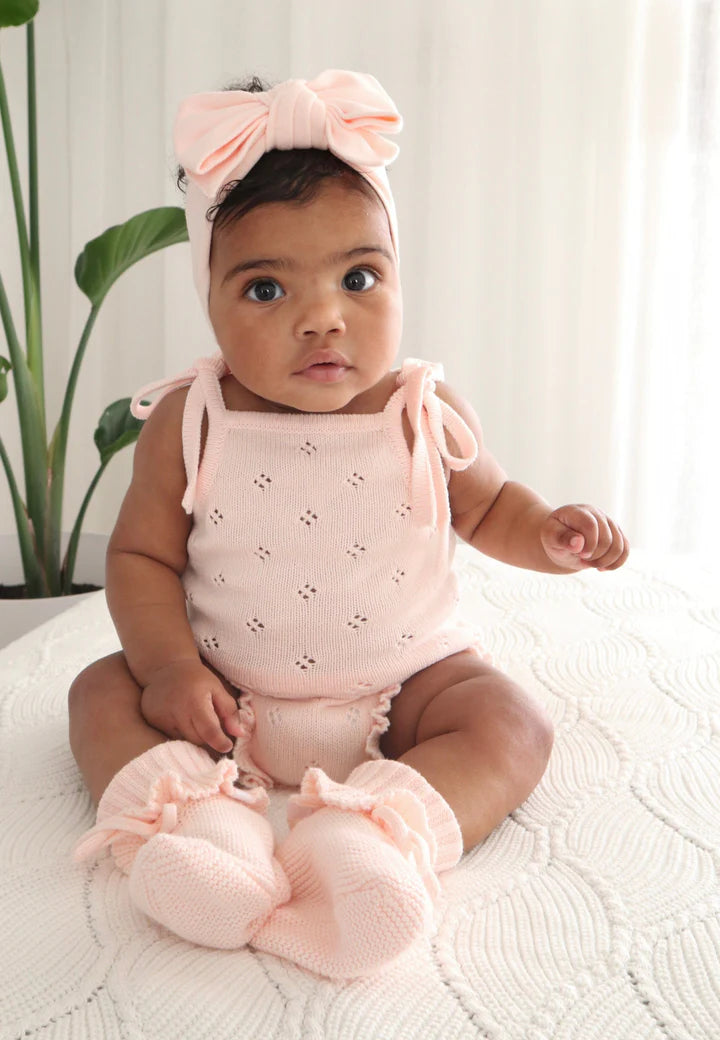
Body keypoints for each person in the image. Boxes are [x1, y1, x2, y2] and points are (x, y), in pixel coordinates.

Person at [69, 69, 628, 979]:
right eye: (264, 291)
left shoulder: (420, 407)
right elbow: (138, 556)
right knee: (100, 692)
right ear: (207, 299)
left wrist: (552, 534)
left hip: (404, 689)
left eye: (358, 277)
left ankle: (370, 840)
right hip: (222, 696)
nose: (322, 318)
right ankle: (201, 831)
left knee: (511, 721)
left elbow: (487, 506)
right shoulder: (191, 420)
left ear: (398, 279)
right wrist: (169, 668)